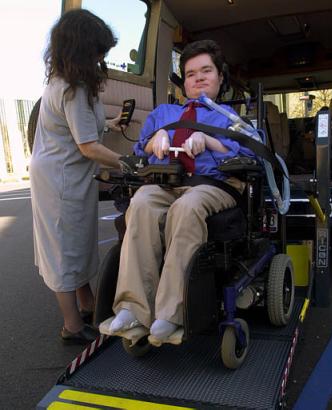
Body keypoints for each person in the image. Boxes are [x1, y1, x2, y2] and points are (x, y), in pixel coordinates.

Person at [109, 39, 254, 341]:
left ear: (220, 78)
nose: (198, 78)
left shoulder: (231, 118)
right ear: (183, 82)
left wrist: (211, 141)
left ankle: (172, 313)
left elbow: (254, 153)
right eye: (190, 73)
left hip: (213, 185)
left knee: (186, 208)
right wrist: (156, 138)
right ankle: (134, 308)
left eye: (206, 71)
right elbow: (140, 148)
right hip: (167, 182)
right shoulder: (163, 113)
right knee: (143, 202)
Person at [30, 9, 123, 344]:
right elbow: (87, 146)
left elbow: (80, 127)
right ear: (83, 50)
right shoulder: (73, 88)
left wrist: (109, 124)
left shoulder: (63, 82)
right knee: (64, 250)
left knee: (78, 243)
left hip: (63, 173)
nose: (102, 58)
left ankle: (88, 306)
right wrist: (125, 163)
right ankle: (72, 326)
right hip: (61, 178)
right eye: (99, 51)